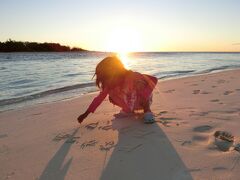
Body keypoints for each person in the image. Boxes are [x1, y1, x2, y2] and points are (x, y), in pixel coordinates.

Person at [77, 56, 158, 124]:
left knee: (140, 84)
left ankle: (147, 111)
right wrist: (86, 113)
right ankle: (128, 110)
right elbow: (99, 99)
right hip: (130, 102)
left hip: (143, 100)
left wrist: (144, 94)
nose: (106, 80)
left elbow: (154, 80)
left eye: (106, 76)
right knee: (111, 96)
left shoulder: (133, 76)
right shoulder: (109, 84)